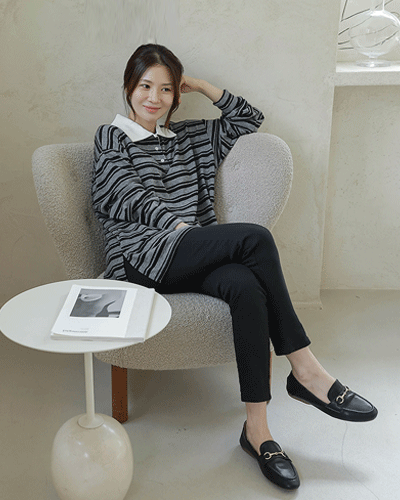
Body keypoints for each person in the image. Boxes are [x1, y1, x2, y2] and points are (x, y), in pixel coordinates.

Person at [92, 44, 377, 490]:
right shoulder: (110, 137)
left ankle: (257, 432)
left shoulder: (189, 137)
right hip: (142, 258)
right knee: (255, 238)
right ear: (129, 86)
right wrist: (178, 226)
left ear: (177, 95)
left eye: (166, 89)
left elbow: (248, 119)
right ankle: (306, 370)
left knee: (246, 285)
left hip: (188, 255)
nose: (154, 97)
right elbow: (125, 194)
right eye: (145, 85)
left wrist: (202, 86)